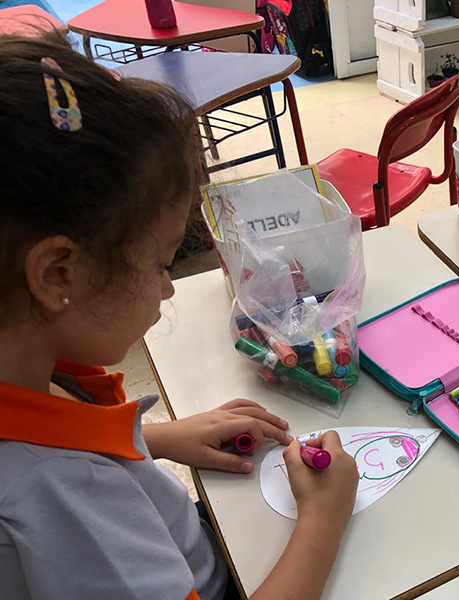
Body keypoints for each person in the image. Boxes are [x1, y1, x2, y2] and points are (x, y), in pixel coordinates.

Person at [0, 31, 358, 600]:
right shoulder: (66, 497)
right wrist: (324, 519)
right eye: (161, 263)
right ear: (58, 273)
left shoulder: (26, 372)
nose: (168, 289)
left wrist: (155, 438)